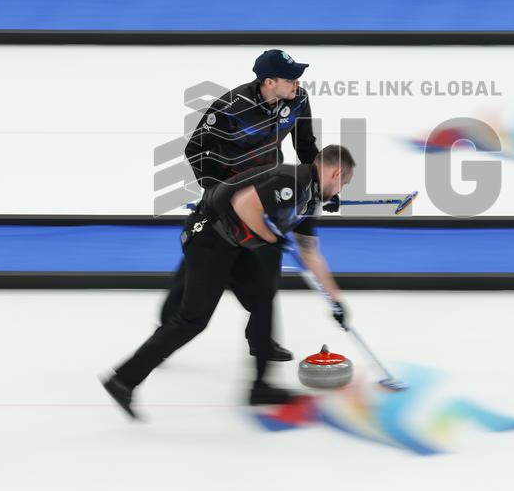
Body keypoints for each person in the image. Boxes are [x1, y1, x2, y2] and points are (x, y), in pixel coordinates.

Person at [102, 145, 355, 417]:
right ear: (337, 172)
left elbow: (310, 251)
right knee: (192, 320)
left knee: (262, 298)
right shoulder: (292, 181)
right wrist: (273, 239)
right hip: (208, 237)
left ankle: (260, 387)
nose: (340, 192)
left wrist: (336, 301)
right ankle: (123, 380)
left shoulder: (309, 197)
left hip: (233, 243)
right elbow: (244, 205)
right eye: (344, 183)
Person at [161, 49, 338, 363]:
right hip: (225, 194)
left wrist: (319, 186)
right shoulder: (231, 108)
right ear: (268, 81)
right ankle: (169, 318)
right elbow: (195, 149)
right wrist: (217, 191)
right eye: (290, 78)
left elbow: (306, 145)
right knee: (204, 255)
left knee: (267, 264)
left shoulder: (298, 101)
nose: (297, 82)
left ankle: (261, 341)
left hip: (267, 193)